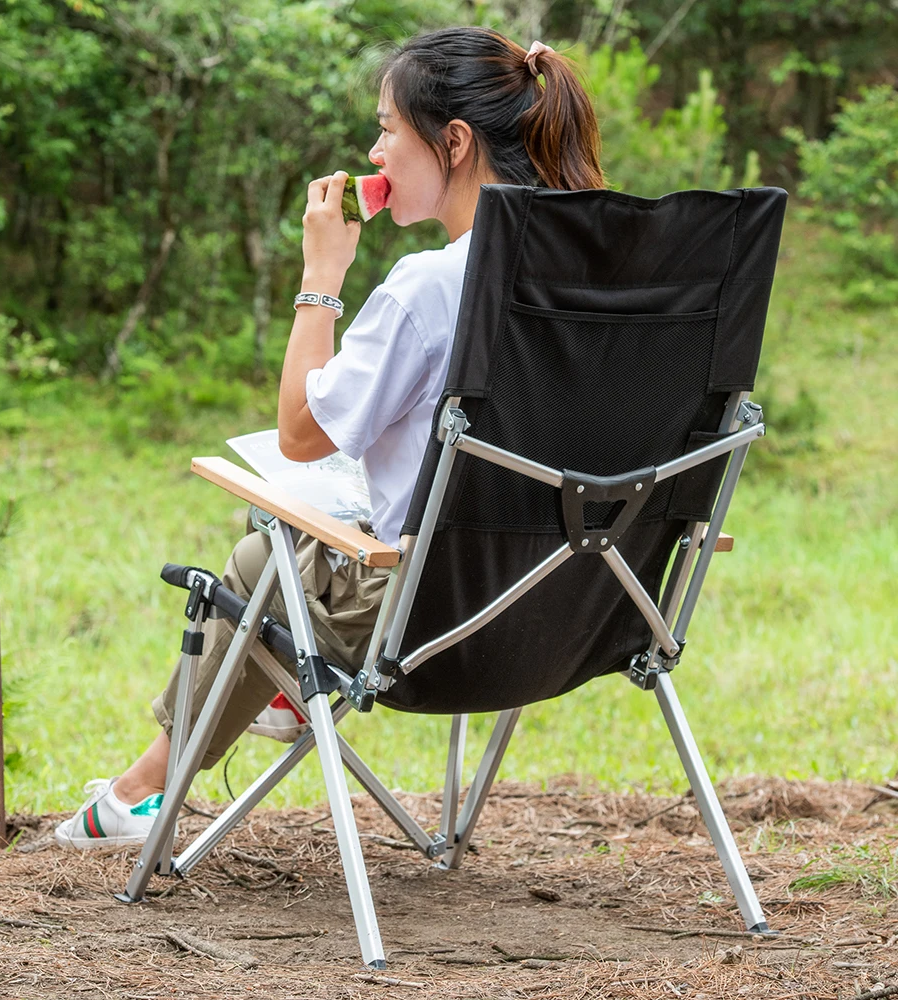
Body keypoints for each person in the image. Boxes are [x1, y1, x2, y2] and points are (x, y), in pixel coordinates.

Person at [54, 27, 605, 849]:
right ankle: (242, 721)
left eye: (387, 128)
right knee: (309, 533)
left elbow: (301, 434)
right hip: (586, 614)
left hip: (433, 626)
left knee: (262, 552)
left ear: (454, 142)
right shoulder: (611, 284)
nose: (374, 152)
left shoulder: (430, 285)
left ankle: (142, 791)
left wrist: (322, 276)